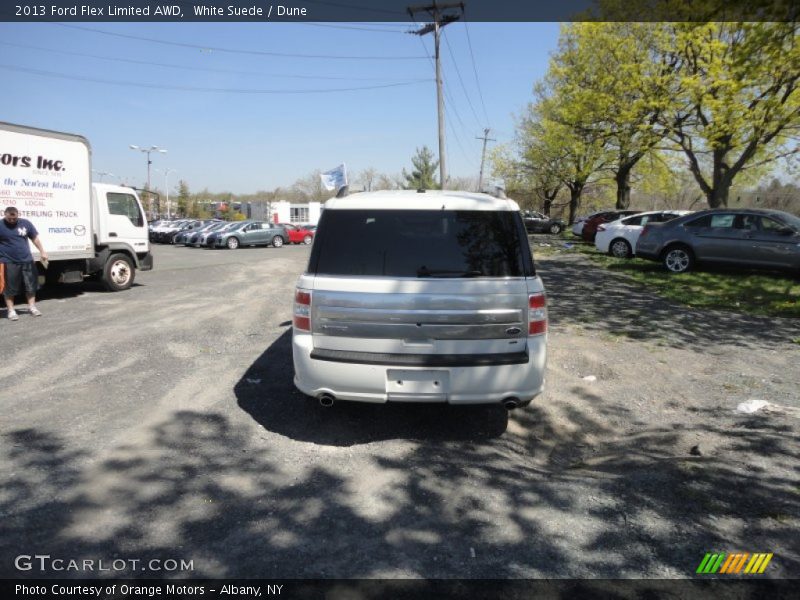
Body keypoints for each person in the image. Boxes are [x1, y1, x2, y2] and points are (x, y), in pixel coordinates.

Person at [0, 207, 48, 320]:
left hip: (27, 260)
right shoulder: (0, 225)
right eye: (10, 218)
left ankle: (32, 307)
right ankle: (11, 311)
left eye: (14, 218)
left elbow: (35, 238)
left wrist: (42, 251)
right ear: (5, 214)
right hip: (8, 261)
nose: (12, 220)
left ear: (17, 215)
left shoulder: (25, 223)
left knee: (30, 285)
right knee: (9, 288)